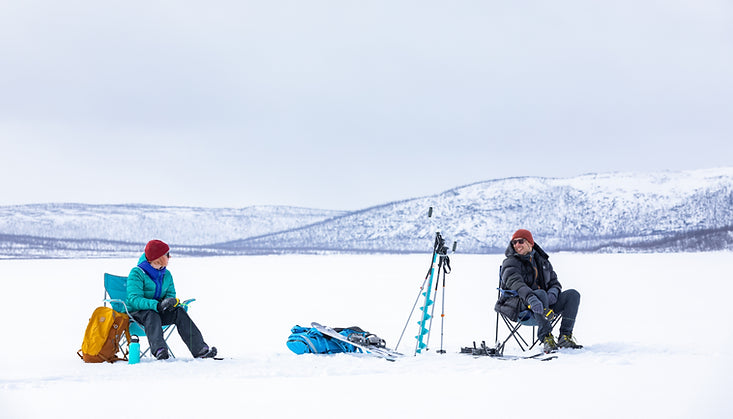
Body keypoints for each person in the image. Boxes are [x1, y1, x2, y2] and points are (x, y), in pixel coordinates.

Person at [126, 239, 217, 360]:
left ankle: (200, 350)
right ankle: (159, 349)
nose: (170, 257)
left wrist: (170, 303)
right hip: (137, 314)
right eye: (167, 254)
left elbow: (170, 294)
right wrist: (157, 305)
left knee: (178, 312)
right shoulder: (137, 273)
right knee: (151, 313)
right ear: (159, 257)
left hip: (157, 312)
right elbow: (134, 300)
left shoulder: (166, 274)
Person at [497, 229, 582, 353]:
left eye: (520, 241)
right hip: (520, 307)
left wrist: (553, 293)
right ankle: (546, 338)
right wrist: (531, 298)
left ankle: (565, 337)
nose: (517, 245)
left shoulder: (543, 261)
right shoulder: (510, 263)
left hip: (545, 308)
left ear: (530, 243)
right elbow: (516, 284)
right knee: (540, 293)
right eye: (514, 243)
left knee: (573, 295)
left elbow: (555, 282)